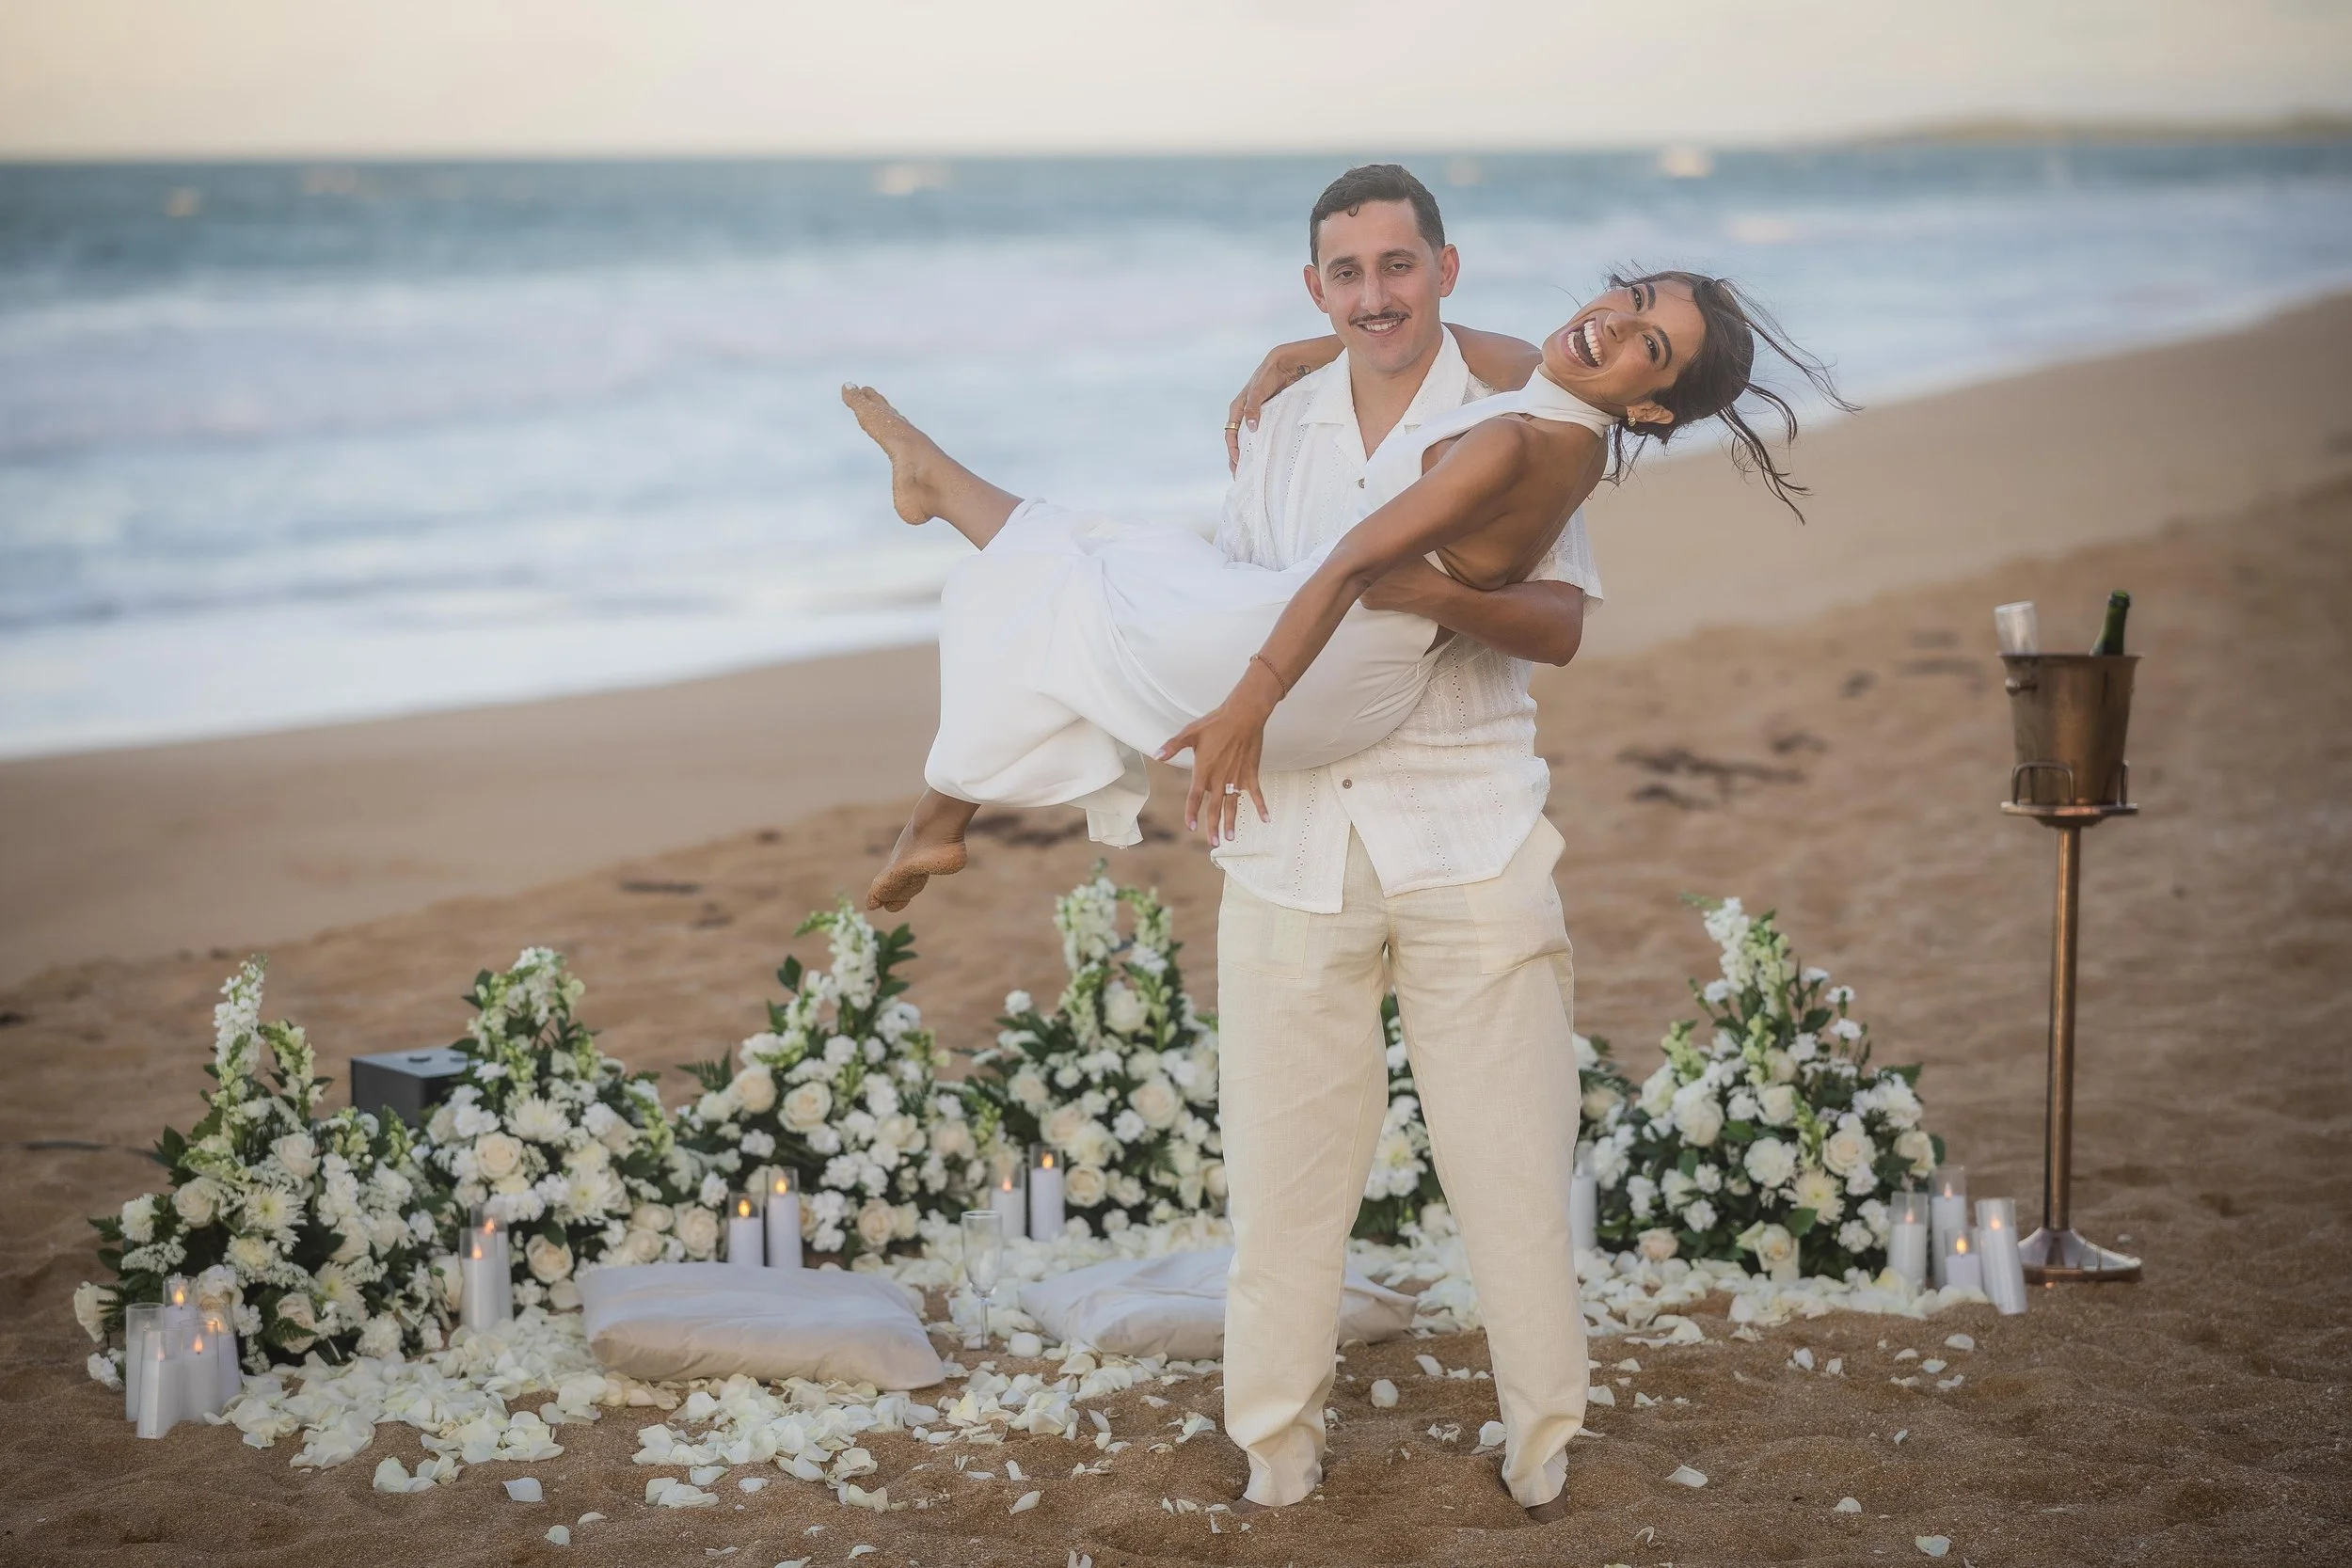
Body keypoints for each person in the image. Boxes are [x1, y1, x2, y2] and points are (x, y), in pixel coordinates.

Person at [842, 182, 1828, 919]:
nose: (1610, 322)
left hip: (1319, 673)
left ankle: (943, 769)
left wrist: (1245, 706)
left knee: (1072, 586)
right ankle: (939, 807)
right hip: (1353, 670)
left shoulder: (1513, 441)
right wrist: (1317, 350)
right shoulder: (1565, 416)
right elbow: (1474, 347)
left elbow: (1353, 562)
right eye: (1632, 295)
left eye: (1645, 344)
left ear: (1651, 404)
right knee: (1115, 552)